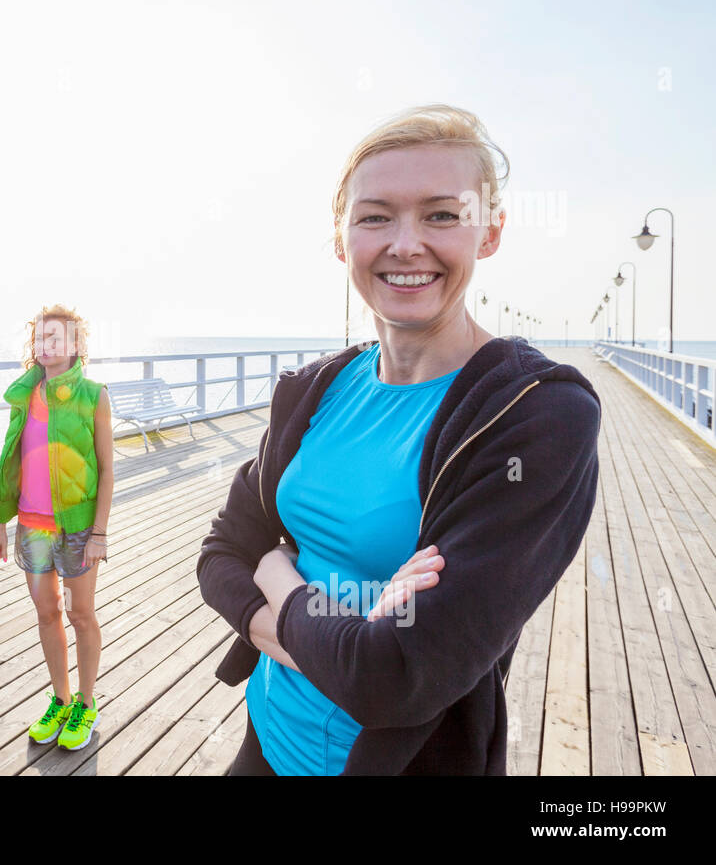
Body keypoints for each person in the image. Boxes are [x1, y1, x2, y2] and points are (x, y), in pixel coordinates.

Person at [198, 104, 601, 775]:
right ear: (341, 238)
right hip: (267, 741)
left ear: (489, 233)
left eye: (442, 214)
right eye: (375, 215)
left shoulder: (536, 413)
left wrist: (277, 574)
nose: (406, 244)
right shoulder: (317, 390)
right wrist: (338, 636)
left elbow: (395, 678)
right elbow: (220, 553)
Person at [0, 305, 115, 750]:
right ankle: (60, 699)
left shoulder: (93, 394)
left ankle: (86, 702)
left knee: (81, 614)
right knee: (47, 613)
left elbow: (106, 468)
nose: (48, 345)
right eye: (42, 338)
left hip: (78, 527)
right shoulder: (24, 395)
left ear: (76, 345)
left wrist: (99, 532)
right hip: (31, 526)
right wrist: (2, 521)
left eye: (58, 338)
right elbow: (11, 460)